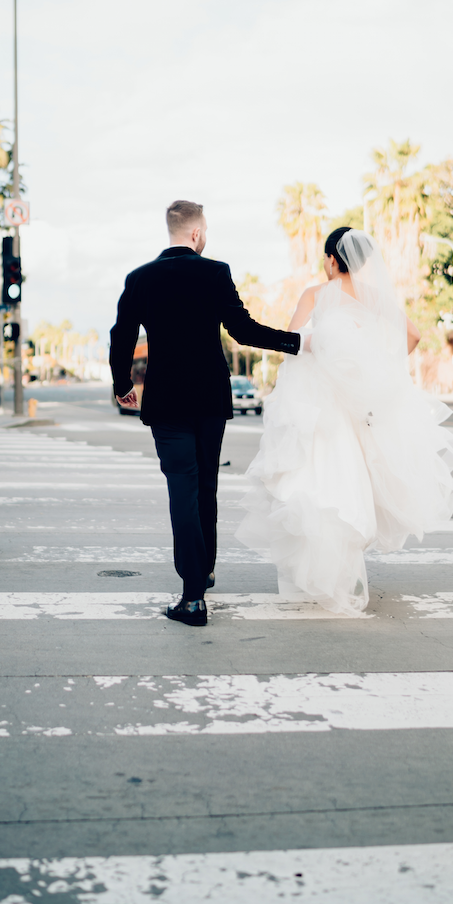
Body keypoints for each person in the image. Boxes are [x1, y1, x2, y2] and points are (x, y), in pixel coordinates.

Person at [237, 228, 453, 617]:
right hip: (359, 407)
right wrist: (381, 368)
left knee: (316, 481)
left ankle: (313, 575)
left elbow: (293, 342)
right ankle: (340, 573)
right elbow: (413, 335)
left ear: (332, 260)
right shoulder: (375, 298)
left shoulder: (315, 295)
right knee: (350, 483)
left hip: (320, 405)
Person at [110, 200, 304, 627]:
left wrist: (122, 384)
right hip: (209, 400)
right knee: (207, 487)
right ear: (196, 234)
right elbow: (243, 328)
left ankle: (193, 596)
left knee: (183, 489)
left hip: (166, 402)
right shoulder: (216, 272)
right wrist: (295, 343)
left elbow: (121, 335)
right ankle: (205, 569)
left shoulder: (140, 279)